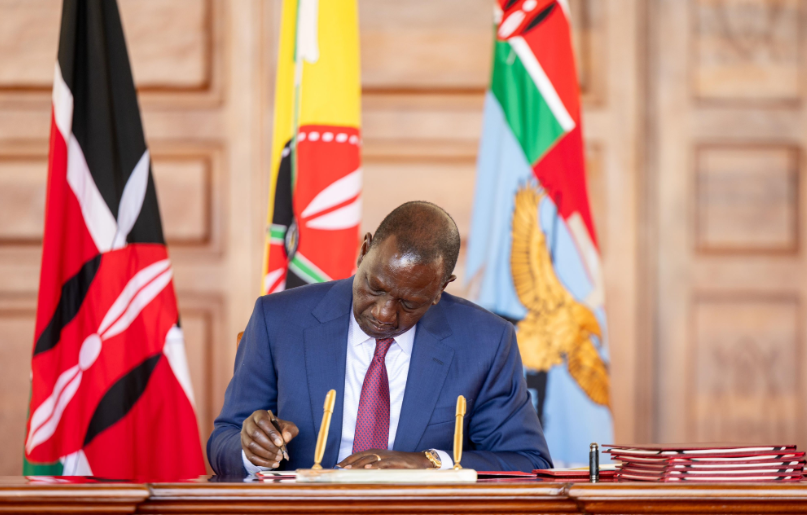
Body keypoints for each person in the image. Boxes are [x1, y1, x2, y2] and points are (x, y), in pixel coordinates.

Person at [207, 201, 552, 475]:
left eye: (408, 303)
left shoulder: (486, 342)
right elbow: (223, 439)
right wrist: (251, 450)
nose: (384, 314)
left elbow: (527, 459)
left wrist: (426, 463)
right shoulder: (279, 320)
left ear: (441, 288)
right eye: (375, 288)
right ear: (364, 251)